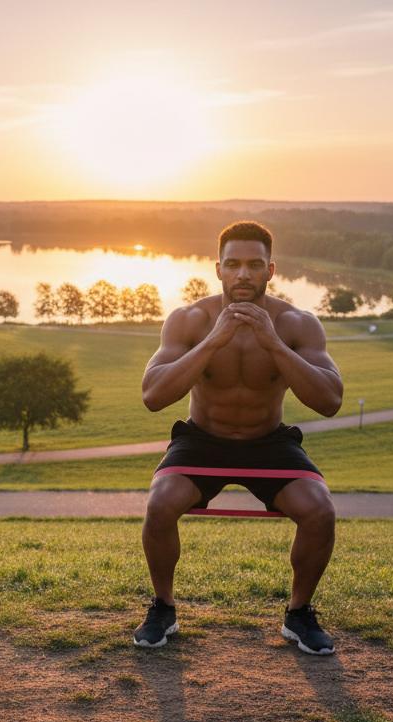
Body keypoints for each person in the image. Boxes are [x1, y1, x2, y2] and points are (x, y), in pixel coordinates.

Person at [135, 220, 344, 655]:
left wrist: (274, 345)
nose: (243, 274)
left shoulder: (297, 324)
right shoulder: (190, 319)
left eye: (254, 264)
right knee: (159, 504)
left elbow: (329, 401)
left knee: (320, 511)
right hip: (203, 438)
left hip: (269, 441)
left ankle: (299, 614)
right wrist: (213, 342)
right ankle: (163, 606)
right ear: (218, 269)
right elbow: (154, 396)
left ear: (271, 270)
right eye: (233, 264)